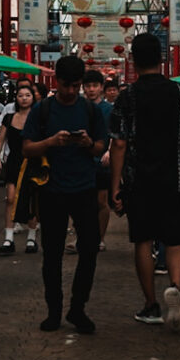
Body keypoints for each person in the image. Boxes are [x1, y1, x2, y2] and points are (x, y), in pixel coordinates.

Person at [108, 33, 180, 332]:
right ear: (162, 59)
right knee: (175, 238)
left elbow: (118, 143)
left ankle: (151, 305)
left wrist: (115, 184)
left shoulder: (127, 96)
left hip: (140, 179)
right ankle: (176, 289)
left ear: (133, 59)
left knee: (142, 239)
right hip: (176, 177)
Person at [22, 55, 109, 333]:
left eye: (76, 86)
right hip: (52, 191)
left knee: (89, 249)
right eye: (66, 85)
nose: (71, 91)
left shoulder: (91, 111)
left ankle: (78, 308)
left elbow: (99, 148)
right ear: (56, 81)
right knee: (52, 254)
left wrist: (86, 143)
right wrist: (50, 142)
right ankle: (54, 311)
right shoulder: (42, 110)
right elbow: (26, 148)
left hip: (84, 188)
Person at [0, 81, 39, 255]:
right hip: (13, 161)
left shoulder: (37, 118)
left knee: (32, 201)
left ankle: (31, 238)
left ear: (33, 98)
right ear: (16, 99)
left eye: (27, 95)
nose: (24, 99)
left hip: (32, 162)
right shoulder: (9, 117)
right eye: (20, 96)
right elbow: (1, 139)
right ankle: (8, 238)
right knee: (10, 198)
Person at [81, 68, 113, 251]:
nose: (91, 89)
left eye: (95, 86)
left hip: (102, 162)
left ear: (101, 87)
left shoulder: (109, 110)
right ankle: (86, 235)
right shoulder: (79, 107)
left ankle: (100, 238)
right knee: (83, 201)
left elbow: (115, 134)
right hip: (83, 160)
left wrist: (108, 151)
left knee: (101, 201)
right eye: (88, 86)